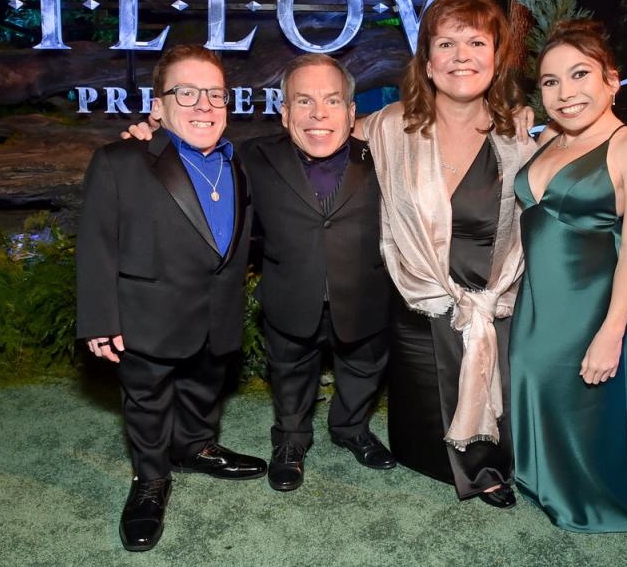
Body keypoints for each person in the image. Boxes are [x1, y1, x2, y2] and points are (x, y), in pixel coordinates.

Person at [122, 54, 395, 493]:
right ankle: (290, 441)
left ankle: (352, 428)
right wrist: (153, 139)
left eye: (331, 101)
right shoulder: (251, 157)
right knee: (289, 372)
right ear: (285, 113)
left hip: (365, 294)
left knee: (363, 368)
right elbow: (194, 168)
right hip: (289, 296)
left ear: (350, 111)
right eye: (303, 102)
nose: (318, 113)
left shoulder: (384, 157)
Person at [76, 44, 267, 552]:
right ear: (156, 107)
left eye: (215, 94)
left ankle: (195, 447)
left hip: (218, 310)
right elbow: (96, 243)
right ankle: (150, 478)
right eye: (186, 92)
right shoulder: (120, 160)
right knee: (148, 401)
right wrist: (99, 317)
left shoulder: (240, 161)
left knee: (207, 384)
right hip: (147, 313)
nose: (204, 105)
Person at [357, 0, 537, 509]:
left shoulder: (519, 139)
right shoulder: (391, 127)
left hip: (494, 309)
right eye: (447, 44)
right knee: (420, 438)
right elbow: (316, 129)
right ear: (428, 63)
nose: (462, 56)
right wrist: (158, 131)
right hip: (419, 312)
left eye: (477, 43)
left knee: (501, 426)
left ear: (496, 59)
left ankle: (487, 466)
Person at [508, 19, 627, 532]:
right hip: (538, 303)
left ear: (612, 79)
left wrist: (611, 334)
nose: (565, 93)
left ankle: (588, 499)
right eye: (550, 82)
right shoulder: (547, 140)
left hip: (592, 307)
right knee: (533, 383)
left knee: (582, 405)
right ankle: (540, 480)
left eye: (579, 74)